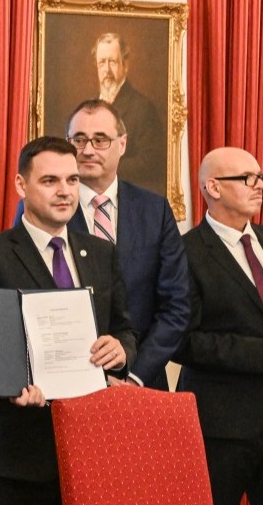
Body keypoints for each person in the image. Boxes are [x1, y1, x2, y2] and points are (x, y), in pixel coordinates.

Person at [0, 136, 136, 505]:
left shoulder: (100, 253)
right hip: (14, 456)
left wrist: (121, 350)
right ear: (21, 186)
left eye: (73, 180)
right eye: (50, 180)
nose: (65, 191)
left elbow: (125, 329)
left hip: (86, 452)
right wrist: (13, 384)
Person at [13, 100, 189, 390]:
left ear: (122, 144)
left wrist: (135, 374)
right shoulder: (41, 208)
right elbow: (23, 293)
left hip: (141, 384)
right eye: (78, 139)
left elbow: (177, 306)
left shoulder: (154, 211)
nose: (88, 150)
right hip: (61, 387)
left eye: (100, 139)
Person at [176, 147, 263, 505]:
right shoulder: (186, 253)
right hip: (220, 427)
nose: (259, 186)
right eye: (247, 178)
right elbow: (185, 341)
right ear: (213, 187)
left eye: (261, 177)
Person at [91, 33, 165, 195]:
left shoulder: (143, 108)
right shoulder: (90, 107)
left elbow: (151, 162)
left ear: (125, 65)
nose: (107, 70)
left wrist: (105, 167)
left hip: (128, 196)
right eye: (102, 62)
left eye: (113, 62)